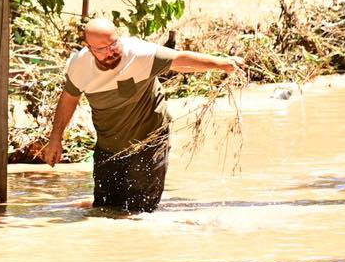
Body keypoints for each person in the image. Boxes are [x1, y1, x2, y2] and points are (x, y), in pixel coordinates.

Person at [39, 17, 241, 214]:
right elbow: (68, 99)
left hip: (148, 142)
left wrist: (223, 64)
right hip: (108, 146)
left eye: (113, 44)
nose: (111, 52)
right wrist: (55, 138)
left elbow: (180, 60)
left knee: (141, 212)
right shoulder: (80, 65)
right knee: (104, 209)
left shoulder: (139, 53)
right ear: (89, 48)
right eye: (102, 49)